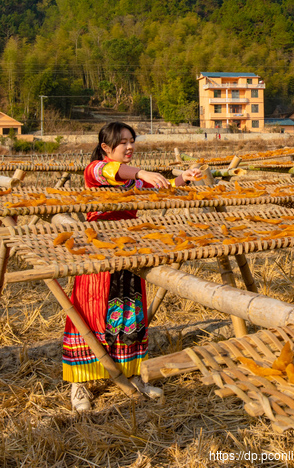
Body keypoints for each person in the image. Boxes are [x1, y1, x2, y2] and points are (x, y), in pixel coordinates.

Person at [64, 122, 201, 411]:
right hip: (99, 255)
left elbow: (159, 189)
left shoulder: (133, 181)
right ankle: (80, 384)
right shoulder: (96, 170)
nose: (129, 147)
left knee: (130, 312)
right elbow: (113, 172)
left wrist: (183, 180)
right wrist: (141, 171)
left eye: (132, 141)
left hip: (128, 251)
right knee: (91, 314)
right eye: (123, 142)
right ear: (105, 148)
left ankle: (134, 374)